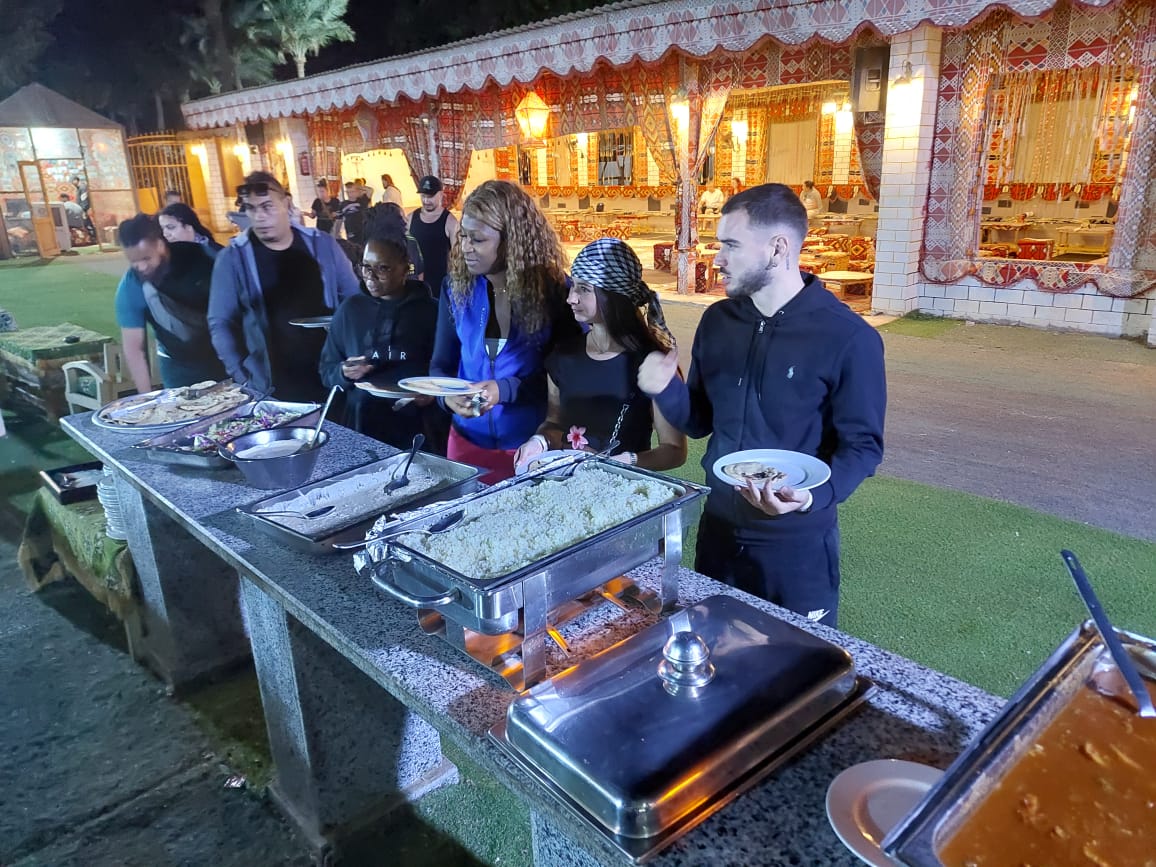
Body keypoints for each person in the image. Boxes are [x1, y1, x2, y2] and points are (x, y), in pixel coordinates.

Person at [638, 183, 886, 628]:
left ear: (778, 248)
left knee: (797, 661)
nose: (717, 258)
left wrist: (811, 498)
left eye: (731, 245)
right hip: (718, 530)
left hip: (795, 545)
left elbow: (863, 447)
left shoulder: (849, 338)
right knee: (715, 648)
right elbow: (699, 421)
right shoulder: (718, 321)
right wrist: (665, 389)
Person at [429, 179, 580, 482]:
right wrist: (447, 399)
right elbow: (440, 365)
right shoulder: (455, 288)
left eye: (477, 239)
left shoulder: (554, 291)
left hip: (531, 448)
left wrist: (505, 389)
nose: (465, 248)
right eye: (463, 236)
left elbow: (570, 378)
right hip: (465, 446)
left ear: (512, 240)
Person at [513, 238, 686, 473]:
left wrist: (625, 462)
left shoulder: (652, 365)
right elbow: (553, 422)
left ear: (613, 295)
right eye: (573, 286)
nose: (571, 298)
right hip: (566, 485)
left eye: (584, 289)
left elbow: (674, 450)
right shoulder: (562, 356)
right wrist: (540, 441)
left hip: (622, 489)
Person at [208, 171, 360, 402]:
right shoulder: (233, 259)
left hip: (331, 376)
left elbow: (354, 299)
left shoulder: (322, 245)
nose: (259, 216)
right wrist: (243, 377)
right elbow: (220, 322)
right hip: (272, 385)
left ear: (286, 203)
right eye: (251, 208)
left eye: (267, 206)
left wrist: (354, 356)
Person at [319, 207, 446, 452]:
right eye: (366, 266)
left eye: (382, 268)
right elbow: (327, 370)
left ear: (405, 268)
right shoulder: (350, 310)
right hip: (362, 430)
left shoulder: (432, 312)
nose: (371, 276)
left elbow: (450, 372)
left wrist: (434, 394)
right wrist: (344, 372)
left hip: (420, 431)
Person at [114, 214, 226, 392]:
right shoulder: (132, 286)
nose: (141, 267)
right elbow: (134, 348)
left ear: (160, 245)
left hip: (226, 357)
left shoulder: (203, 259)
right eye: (134, 262)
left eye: (146, 258)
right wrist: (147, 398)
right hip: (178, 365)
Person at [409, 175, 459, 299]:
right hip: (415, 285)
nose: (426, 200)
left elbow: (457, 257)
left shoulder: (450, 222)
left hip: (440, 286)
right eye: (423, 196)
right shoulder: (410, 218)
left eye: (430, 196)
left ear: (441, 195)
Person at [159, 203, 223, 254]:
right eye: (162, 228)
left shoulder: (215, 254)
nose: (165, 234)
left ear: (188, 227)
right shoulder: (168, 253)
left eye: (170, 227)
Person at [340, 181, 366, 246]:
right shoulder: (343, 204)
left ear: (356, 191)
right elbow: (338, 218)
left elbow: (370, 190)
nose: (350, 194)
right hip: (350, 232)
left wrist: (358, 187)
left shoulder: (362, 201)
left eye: (352, 191)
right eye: (348, 192)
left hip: (362, 231)